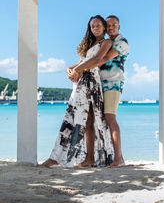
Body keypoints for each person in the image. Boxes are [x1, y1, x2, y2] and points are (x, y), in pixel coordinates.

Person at [42, 15, 114, 168]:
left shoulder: (106, 42)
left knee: (91, 120)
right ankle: (61, 157)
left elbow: (96, 60)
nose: (95, 29)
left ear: (104, 27)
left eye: (98, 26)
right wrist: (69, 70)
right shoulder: (90, 44)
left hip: (92, 83)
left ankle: (88, 158)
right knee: (75, 119)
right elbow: (81, 62)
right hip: (81, 82)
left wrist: (78, 70)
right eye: (92, 26)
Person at [72, 15, 129, 168]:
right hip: (98, 85)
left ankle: (119, 159)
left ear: (119, 25)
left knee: (110, 118)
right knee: (94, 120)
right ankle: (94, 158)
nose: (111, 28)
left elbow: (101, 60)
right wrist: (73, 69)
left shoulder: (121, 43)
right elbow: (86, 60)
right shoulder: (102, 42)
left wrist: (81, 69)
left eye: (114, 25)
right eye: (108, 25)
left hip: (112, 84)